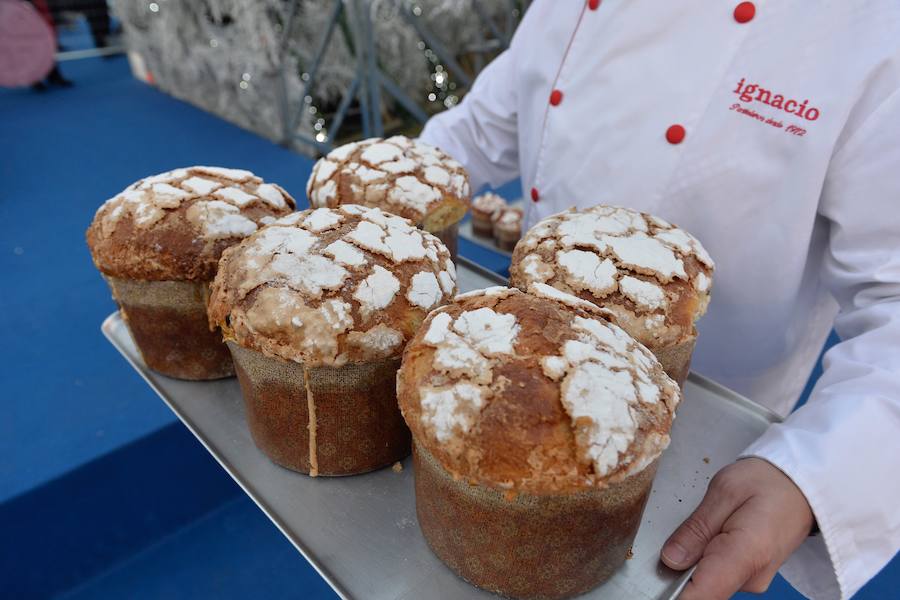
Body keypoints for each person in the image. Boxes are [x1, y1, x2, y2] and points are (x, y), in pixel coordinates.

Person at [419, 2, 900, 599]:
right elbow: (479, 127)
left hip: (713, 435)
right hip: (520, 365)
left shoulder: (873, 32)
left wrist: (812, 474)